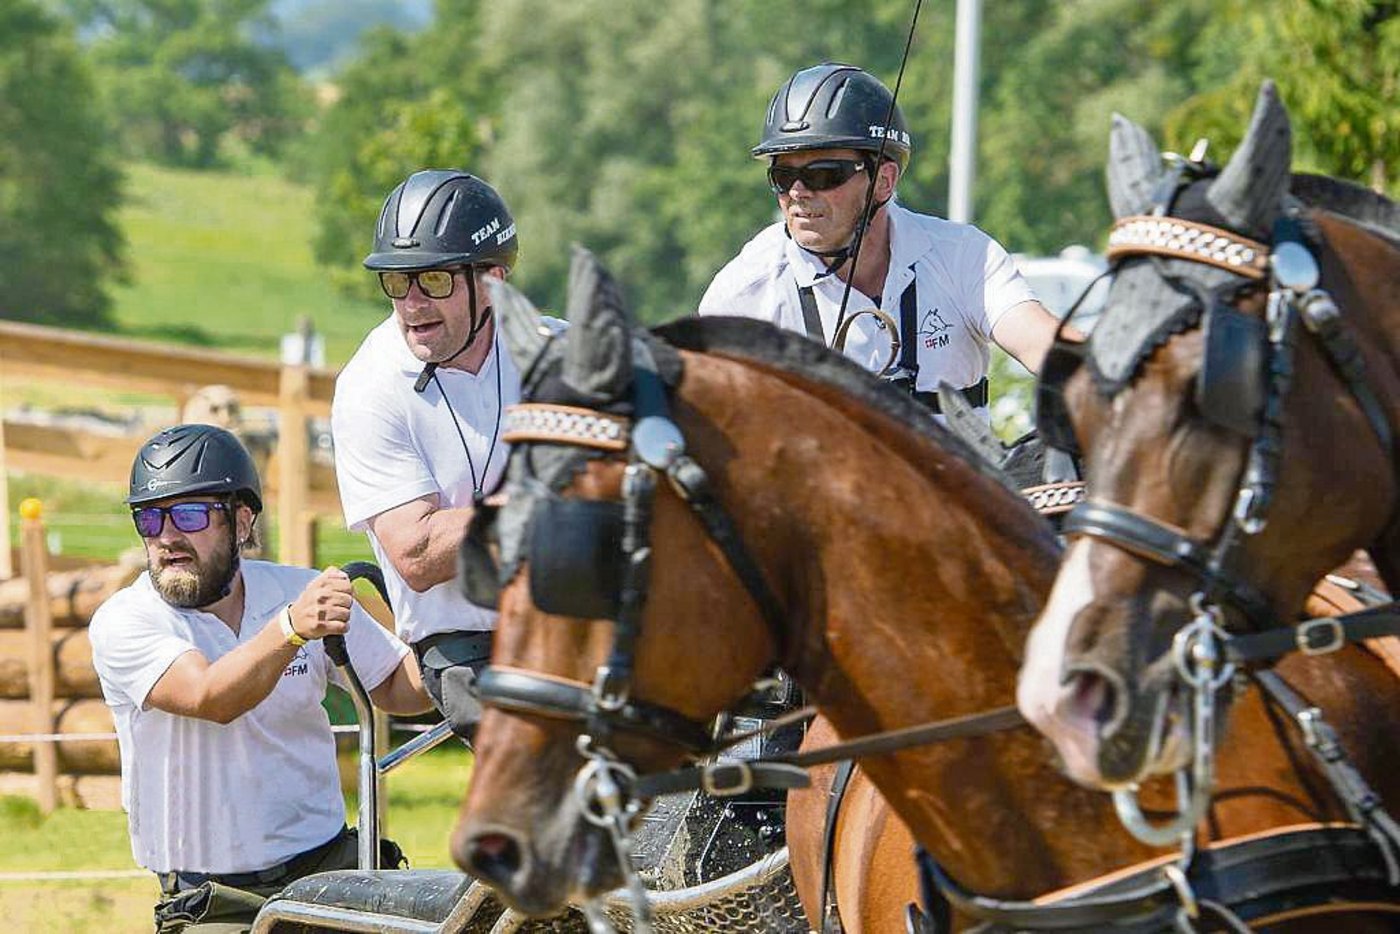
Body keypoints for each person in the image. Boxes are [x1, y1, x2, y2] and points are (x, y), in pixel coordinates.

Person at [89, 424, 429, 934]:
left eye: (188, 514)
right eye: (149, 518)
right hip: (212, 900)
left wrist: (465, 638)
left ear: (242, 521)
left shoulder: (296, 588)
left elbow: (399, 687)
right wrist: (291, 629)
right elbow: (210, 697)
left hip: (327, 870)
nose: (166, 537)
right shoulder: (126, 619)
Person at [331, 169, 561, 739]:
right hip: (467, 649)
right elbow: (418, 553)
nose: (411, 303)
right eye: (397, 281)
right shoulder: (370, 385)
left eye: (432, 280)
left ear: (492, 280)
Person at [699, 62, 1063, 415]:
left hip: (962, 475)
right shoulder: (742, 294)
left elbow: (1045, 346)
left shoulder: (965, 255)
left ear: (884, 181)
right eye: (783, 176)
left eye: (823, 174)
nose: (797, 193)